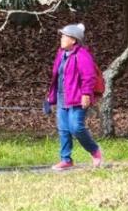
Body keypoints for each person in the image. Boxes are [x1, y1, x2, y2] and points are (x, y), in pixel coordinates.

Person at [44, 22, 103, 170]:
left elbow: (88, 77)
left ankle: (94, 151)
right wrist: (50, 97)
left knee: (76, 127)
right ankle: (66, 159)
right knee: (63, 129)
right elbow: (56, 77)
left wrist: (86, 95)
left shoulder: (83, 55)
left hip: (77, 97)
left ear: (73, 40)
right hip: (62, 96)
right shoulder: (61, 54)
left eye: (65, 36)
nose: (62, 38)